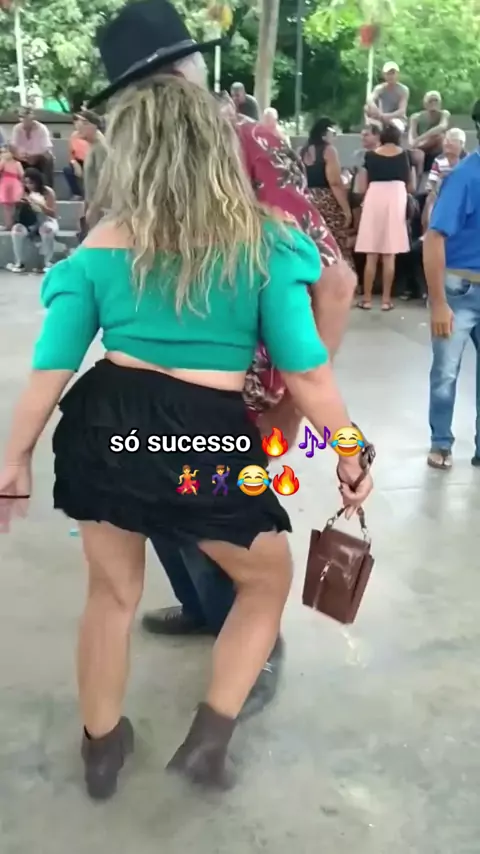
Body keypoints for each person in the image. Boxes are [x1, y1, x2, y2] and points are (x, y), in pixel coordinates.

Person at [0, 0, 373, 800]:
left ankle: (102, 748)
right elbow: (309, 376)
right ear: (217, 144)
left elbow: (49, 371)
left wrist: (15, 460)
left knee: (110, 593)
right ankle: (209, 739)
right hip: (203, 449)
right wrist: (350, 455)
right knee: (264, 581)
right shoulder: (269, 244)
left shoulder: (99, 248)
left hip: (103, 433)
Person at [140, 16, 357, 710]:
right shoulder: (146, 162)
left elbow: (335, 281)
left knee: (227, 525)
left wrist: (295, 403)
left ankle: (255, 644)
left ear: (184, 80)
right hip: (163, 388)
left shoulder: (249, 144)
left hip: (244, 397)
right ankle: (204, 610)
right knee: (166, 511)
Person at [423, 100, 480, 470]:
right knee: (446, 372)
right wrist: (439, 302)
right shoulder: (464, 177)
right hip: (460, 290)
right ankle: (441, 442)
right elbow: (434, 238)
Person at [355, 122, 414, 311]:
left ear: (381, 137)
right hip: (396, 196)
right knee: (389, 254)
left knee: (371, 253)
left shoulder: (370, 156)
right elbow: (411, 185)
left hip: (374, 196)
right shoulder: (405, 155)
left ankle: (367, 299)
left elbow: (362, 187)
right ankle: (386, 301)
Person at [301, 117, 353, 267]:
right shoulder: (329, 151)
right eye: (333, 132)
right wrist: (346, 210)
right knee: (336, 241)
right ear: (324, 133)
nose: (335, 136)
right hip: (325, 200)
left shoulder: (302, 151)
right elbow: (334, 182)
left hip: (306, 199)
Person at [6, 167, 58, 274]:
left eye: (31, 183)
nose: (28, 186)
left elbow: (53, 214)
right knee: (16, 230)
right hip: (29, 221)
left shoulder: (48, 192)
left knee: (47, 230)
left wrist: (40, 205)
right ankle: (20, 262)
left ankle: (48, 262)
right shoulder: (24, 192)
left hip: (46, 219)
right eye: (26, 183)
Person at [422, 128, 466, 229]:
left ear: (461, 144)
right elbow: (431, 184)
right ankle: (428, 232)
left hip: (462, 196)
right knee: (429, 201)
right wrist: (433, 191)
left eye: (452, 140)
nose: (447, 143)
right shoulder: (439, 160)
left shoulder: (467, 160)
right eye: (446, 140)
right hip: (441, 194)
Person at [408, 91, 450, 187]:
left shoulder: (444, 114)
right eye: (431, 101)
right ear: (425, 103)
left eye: (436, 100)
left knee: (439, 137)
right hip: (421, 149)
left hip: (436, 148)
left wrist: (420, 139)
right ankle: (417, 186)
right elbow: (411, 137)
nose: (433, 103)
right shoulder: (416, 117)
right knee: (418, 155)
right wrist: (416, 143)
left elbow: (442, 126)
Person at [79, 110, 107, 238]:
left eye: (83, 123)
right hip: (93, 203)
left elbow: (104, 180)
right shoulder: (92, 145)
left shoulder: (101, 147)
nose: (79, 127)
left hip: (101, 207)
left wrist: (94, 208)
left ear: (93, 125)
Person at [10, 107, 54, 187]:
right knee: (9, 159)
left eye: (25, 117)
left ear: (32, 117)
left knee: (48, 158)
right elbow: (13, 146)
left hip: (38, 157)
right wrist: (18, 156)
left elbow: (46, 148)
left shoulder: (42, 129)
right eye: (21, 117)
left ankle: (46, 189)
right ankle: (16, 189)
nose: (23, 120)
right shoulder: (17, 128)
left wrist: (35, 156)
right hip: (22, 158)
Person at [365, 62, 410, 131]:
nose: (390, 76)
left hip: (397, 119)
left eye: (393, 73)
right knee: (366, 108)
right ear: (384, 75)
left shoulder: (403, 90)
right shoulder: (379, 88)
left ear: (397, 74)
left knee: (397, 126)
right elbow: (370, 99)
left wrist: (386, 116)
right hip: (381, 118)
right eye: (388, 74)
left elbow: (401, 111)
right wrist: (373, 106)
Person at [63, 116, 91, 199]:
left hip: (90, 161)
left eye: (79, 121)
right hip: (77, 161)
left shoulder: (91, 135)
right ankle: (77, 194)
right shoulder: (73, 136)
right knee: (68, 170)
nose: (76, 123)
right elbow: (71, 153)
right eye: (75, 122)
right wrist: (74, 163)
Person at [0, 144, 24, 230]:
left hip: (7, 184)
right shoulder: (17, 164)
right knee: (10, 206)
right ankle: (10, 224)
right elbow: (22, 175)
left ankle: (9, 224)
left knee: (8, 207)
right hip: (14, 184)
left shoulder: (5, 162)